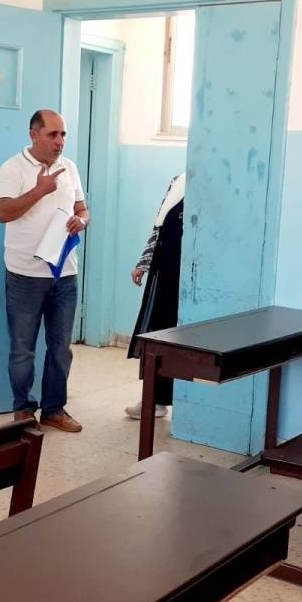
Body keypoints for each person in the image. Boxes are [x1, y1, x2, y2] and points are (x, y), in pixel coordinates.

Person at [0, 110, 89, 432]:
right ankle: (23, 409)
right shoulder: (12, 168)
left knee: (61, 348)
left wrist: (82, 221)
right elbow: (3, 213)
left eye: (63, 134)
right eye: (53, 134)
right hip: (25, 275)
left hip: (64, 273)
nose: (60, 141)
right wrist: (40, 190)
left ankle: (54, 409)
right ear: (34, 135)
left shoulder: (70, 167)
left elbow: (82, 208)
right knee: (23, 348)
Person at [125, 173, 185, 420]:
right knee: (158, 334)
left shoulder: (210, 183)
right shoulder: (178, 181)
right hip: (164, 274)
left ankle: (177, 402)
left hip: (186, 278)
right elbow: (158, 228)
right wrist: (144, 262)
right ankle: (155, 400)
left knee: (181, 341)